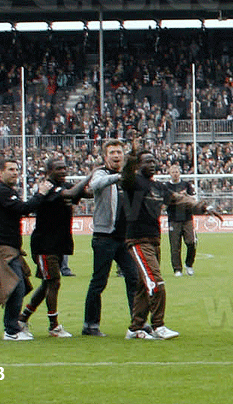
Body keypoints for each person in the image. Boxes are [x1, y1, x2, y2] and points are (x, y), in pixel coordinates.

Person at [0, 159, 66, 340]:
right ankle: (11, 330)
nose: (15, 172)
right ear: (0, 172)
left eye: (17, 169)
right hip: (1, 248)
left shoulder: (5, 190)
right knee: (16, 285)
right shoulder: (0, 191)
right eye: (11, 169)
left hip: (10, 247)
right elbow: (23, 209)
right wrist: (41, 193)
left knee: (16, 287)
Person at [120, 143, 212, 340]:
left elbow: (179, 199)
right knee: (155, 281)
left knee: (144, 286)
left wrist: (200, 206)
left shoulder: (157, 186)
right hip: (138, 240)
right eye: (147, 161)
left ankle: (135, 328)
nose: (152, 164)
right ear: (138, 164)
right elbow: (125, 175)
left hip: (154, 240)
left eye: (154, 161)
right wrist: (130, 159)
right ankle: (158, 325)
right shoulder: (133, 182)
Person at [21, 157, 91, 338]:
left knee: (47, 284)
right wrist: (90, 175)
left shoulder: (65, 184)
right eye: (59, 168)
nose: (64, 171)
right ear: (49, 171)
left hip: (59, 243)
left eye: (65, 168)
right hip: (45, 244)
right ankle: (53, 325)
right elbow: (69, 194)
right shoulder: (47, 187)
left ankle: (23, 318)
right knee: (54, 282)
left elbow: (86, 193)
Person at [81, 140, 135, 338]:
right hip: (104, 237)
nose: (116, 155)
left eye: (119, 151)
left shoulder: (128, 177)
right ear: (105, 156)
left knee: (134, 278)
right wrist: (117, 177)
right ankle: (90, 325)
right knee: (99, 281)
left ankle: (137, 322)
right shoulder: (101, 173)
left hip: (124, 238)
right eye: (112, 152)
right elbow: (95, 184)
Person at [164, 163, 208, 277]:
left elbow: (193, 199)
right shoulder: (166, 186)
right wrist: (177, 198)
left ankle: (189, 265)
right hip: (173, 219)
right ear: (169, 174)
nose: (175, 174)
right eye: (173, 172)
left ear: (179, 173)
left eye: (177, 172)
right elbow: (165, 202)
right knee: (175, 246)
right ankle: (177, 269)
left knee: (191, 242)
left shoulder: (186, 185)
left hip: (187, 218)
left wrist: (184, 196)